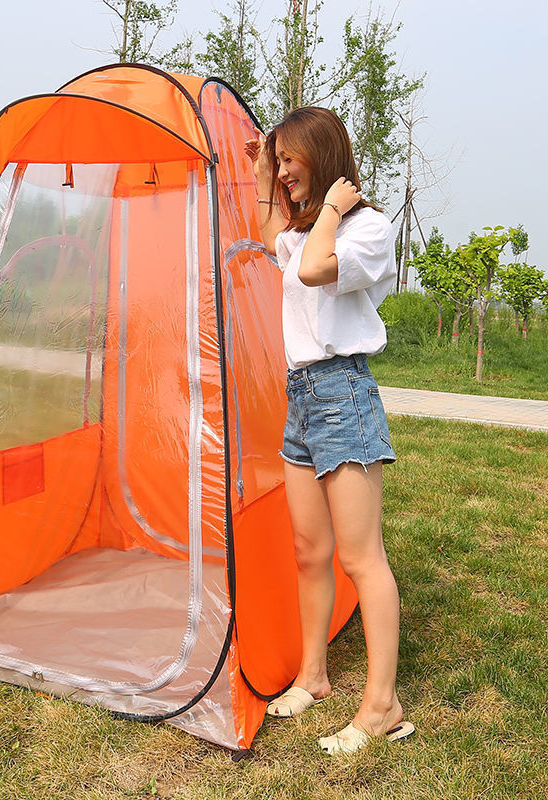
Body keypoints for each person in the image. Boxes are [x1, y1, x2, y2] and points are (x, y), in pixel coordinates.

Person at [244, 107, 414, 755]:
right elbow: (275, 241)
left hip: (344, 393)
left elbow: (315, 269)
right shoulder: (306, 229)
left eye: (291, 158)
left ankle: (382, 706)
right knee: (308, 551)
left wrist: (336, 208)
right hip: (302, 397)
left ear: (322, 154)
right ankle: (313, 676)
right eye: (280, 160)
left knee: (361, 558)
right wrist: (264, 177)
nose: (285, 170)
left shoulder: (366, 228)